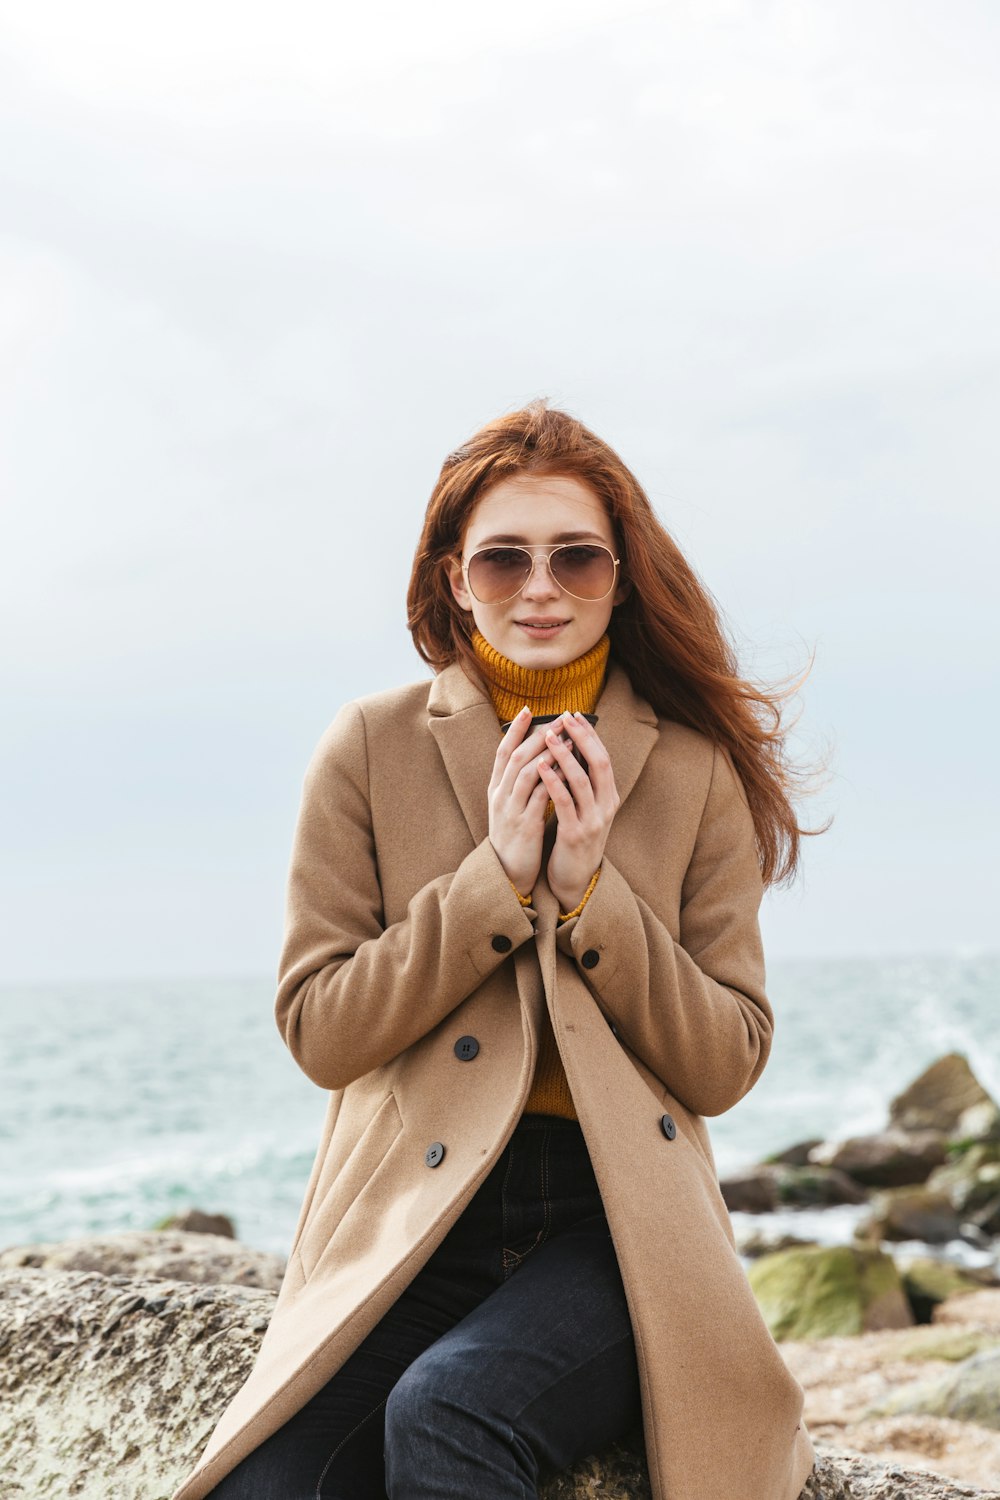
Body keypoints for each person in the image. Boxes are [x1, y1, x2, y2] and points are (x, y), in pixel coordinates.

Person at [172, 401, 820, 1500]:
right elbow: (321, 1031)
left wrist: (589, 901)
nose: (539, 587)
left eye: (577, 557)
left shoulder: (695, 767)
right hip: (412, 1214)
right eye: (502, 558)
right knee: (259, 1484)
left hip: (616, 1226)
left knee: (450, 1408)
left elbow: (727, 1059)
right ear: (451, 578)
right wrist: (494, 886)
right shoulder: (368, 747)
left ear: (620, 574)